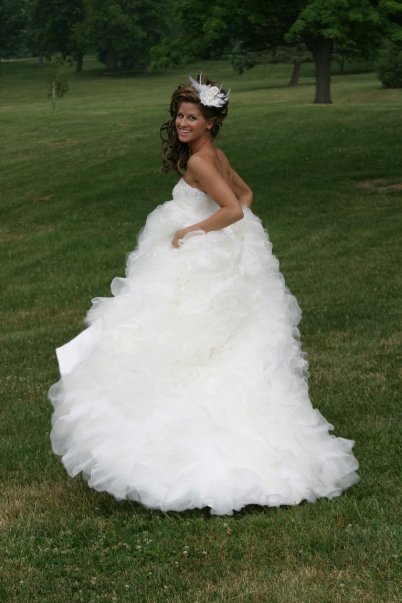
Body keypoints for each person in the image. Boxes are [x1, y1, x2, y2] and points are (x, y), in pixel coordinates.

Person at [49, 74, 359, 516]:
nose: (182, 123)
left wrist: (193, 231)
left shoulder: (199, 162)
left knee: (170, 341)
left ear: (210, 122)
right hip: (212, 257)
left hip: (198, 251)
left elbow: (232, 208)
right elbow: (246, 195)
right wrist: (227, 240)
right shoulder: (215, 155)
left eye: (192, 117)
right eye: (180, 115)